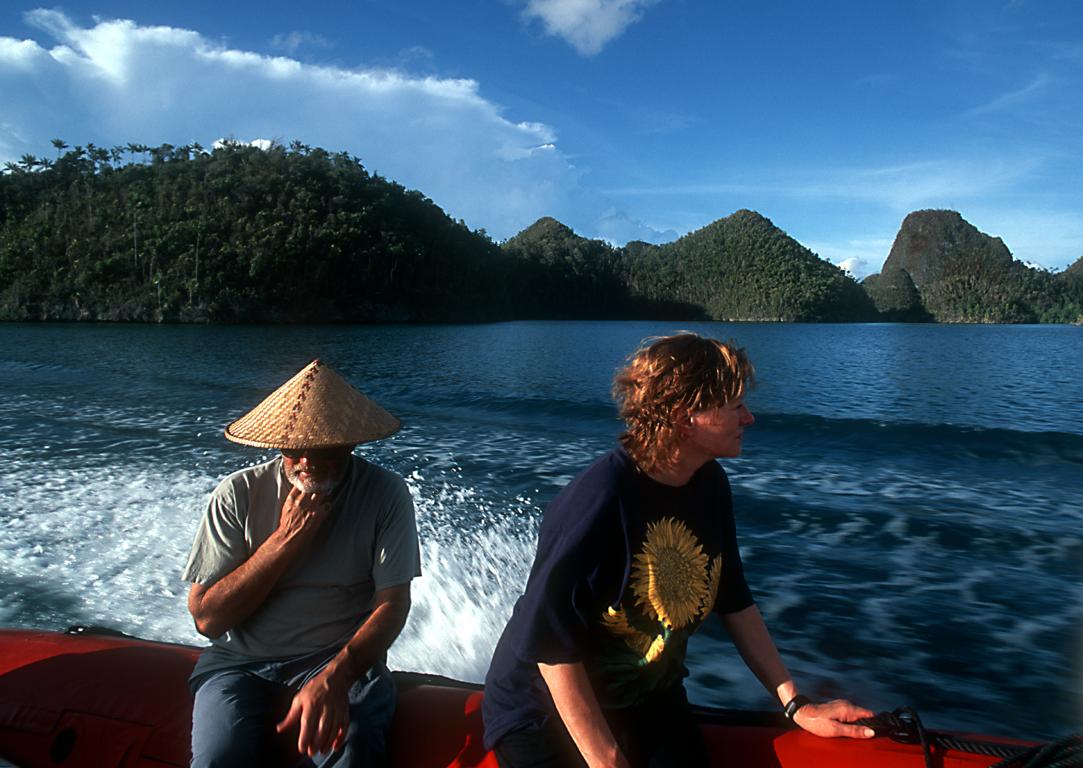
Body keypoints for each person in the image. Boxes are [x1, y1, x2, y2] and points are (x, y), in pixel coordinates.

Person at [482, 333, 875, 768]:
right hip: (544, 712)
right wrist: (606, 760)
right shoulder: (600, 500)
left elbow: (734, 599)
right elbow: (551, 647)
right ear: (684, 418)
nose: (749, 418)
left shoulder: (710, 485)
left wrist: (794, 703)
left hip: (647, 697)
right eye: (734, 407)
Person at [182, 359, 420, 767]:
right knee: (219, 755)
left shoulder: (384, 494)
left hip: (337, 657)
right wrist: (285, 540)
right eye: (294, 449)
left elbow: (393, 604)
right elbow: (207, 619)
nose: (307, 461)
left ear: (350, 443)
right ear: (278, 445)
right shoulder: (237, 494)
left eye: (323, 448)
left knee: (354, 750)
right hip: (240, 664)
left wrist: (337, 675)